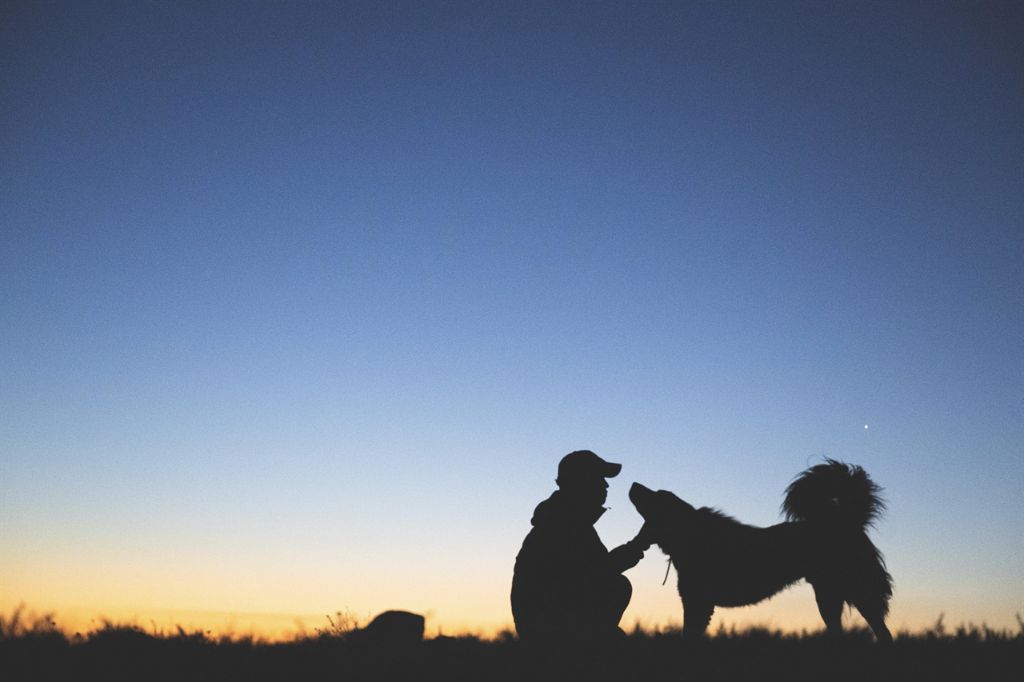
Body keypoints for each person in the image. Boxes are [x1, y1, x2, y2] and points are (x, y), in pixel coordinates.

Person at [511, 450, 648, 644]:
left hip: (552, 628)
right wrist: (640, 543)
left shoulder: (567, 520)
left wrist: (639, 543)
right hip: (552, 635)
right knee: (617, 586)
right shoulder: (561, 524)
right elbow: (597, 573)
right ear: (581, 482)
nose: (606, 484)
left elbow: (595, 569)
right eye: (599, 478)